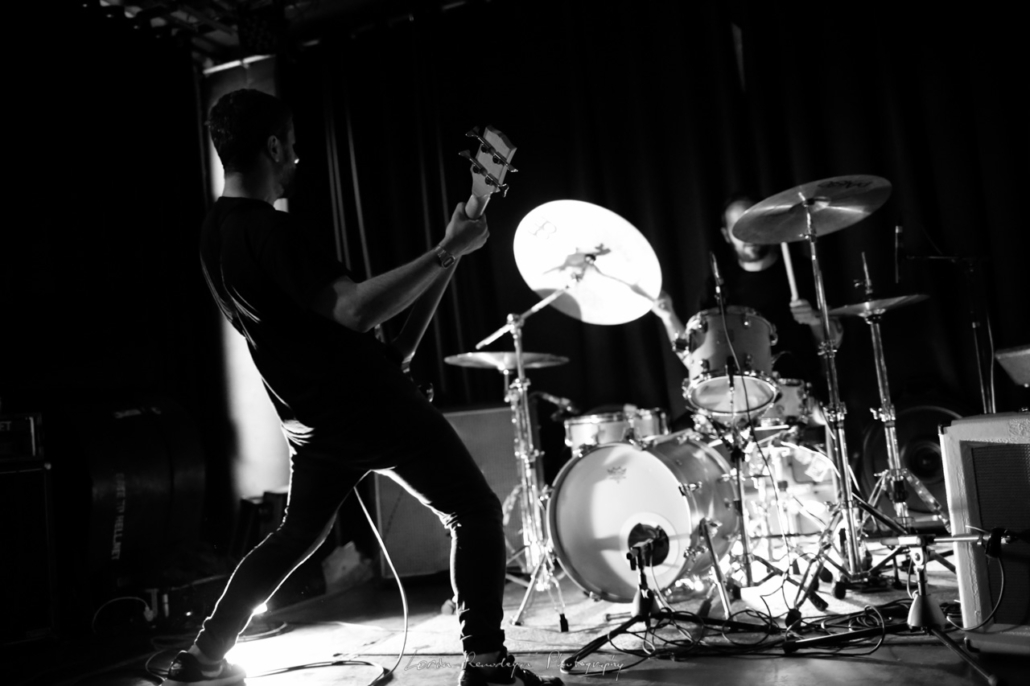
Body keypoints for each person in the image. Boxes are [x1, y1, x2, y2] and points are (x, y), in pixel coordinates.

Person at [165, 89, 560, 686]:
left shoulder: (213, 234)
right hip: (371, 409)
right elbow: (353, 311)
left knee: (295, 536)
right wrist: (444, 248)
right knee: (474, 511)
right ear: (273, 146)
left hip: (311, 420)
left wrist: (448, 258)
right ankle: (485, 664)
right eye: (292, 146)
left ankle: (204, 655)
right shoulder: (272, 231)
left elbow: (386, 345)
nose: (297, 159)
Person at [653, 194, 843, 415]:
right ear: (726, 235)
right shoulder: (719, 286)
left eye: (754, 223)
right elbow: (697, 361)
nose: (748, 235)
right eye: (738, 227)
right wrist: (668, 316)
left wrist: (814, 319)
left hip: (805, 400)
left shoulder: (803, 272)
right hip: (745, 405)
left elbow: (834, 342)